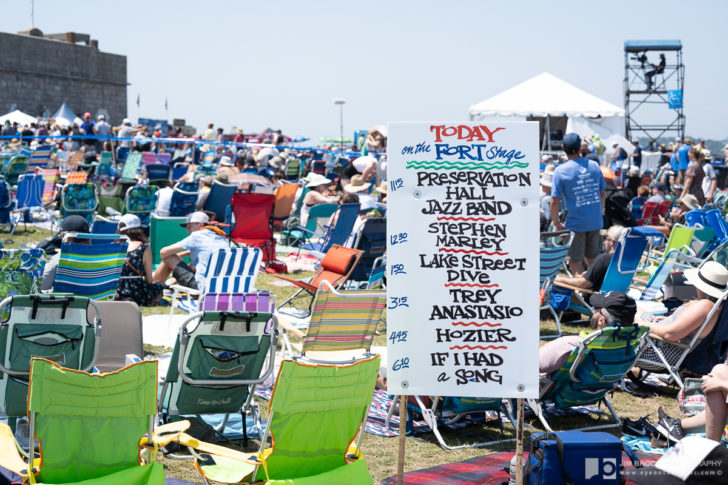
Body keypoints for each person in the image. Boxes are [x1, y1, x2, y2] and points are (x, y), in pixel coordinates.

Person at [539, 292, 636, 389]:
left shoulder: (573, 345)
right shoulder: (625, 349)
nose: (593, 312)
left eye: (596, 309)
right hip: (591, 394)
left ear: (602, 320)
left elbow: (533, 365)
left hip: (553, 393)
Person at [550, 133, 607, 275]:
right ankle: (594, 293)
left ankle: (583, 293)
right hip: (595, 221)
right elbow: (602, 193)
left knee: (575, 262)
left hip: (576, 223)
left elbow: (554, 201)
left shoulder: (560, 171)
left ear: (563, 148)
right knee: (593, 260)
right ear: (580, 147)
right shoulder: (594, 166)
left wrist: (556, 223)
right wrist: (600, 213)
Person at [636, 261, 728, 344]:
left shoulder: (705, 306)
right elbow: (692, 326)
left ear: (700, 286)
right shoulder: (720, 309)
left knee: (626, 308)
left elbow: (670, 334)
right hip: (660, 334)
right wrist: (672, 318)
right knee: (633, 307)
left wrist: (644, 324)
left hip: (656, 345)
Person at [152, 211, 229, 291]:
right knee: (195, 262)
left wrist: (176, 256)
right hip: (220, 288)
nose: (187, 231)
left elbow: (163, 252)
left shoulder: (197, 236)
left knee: (169, 257)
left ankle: (153, 287)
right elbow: (204, 253)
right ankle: (165, 283)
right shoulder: (220, 237)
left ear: (200, 224)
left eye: (189, 227)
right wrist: (181, 255)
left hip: (202, 289)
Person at [554, 225, 623, 291]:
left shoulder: (604, 259)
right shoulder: (625, 259)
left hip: (598, 296)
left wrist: (558, 279)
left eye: (606, 238)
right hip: (616, 293)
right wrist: (590, 274)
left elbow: (583, 284)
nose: (604, 241)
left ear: (612, 242)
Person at [114, 214, 164, 306]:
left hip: (116, 293)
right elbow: (149, 280)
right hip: (137, 295)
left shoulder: (113, 246)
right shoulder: (143, 247)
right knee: (159, 285)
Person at [40, 215, 91, 291]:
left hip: (66, 302)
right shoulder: (104, 258)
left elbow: (42, 287)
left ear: (68, 239)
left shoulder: (59, 260)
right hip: (98, 302)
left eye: (61, 237)